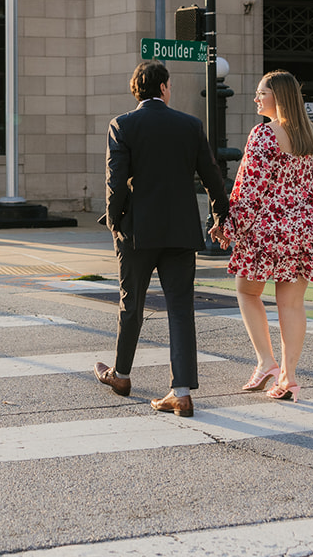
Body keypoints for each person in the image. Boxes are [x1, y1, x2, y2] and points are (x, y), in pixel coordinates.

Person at [95, 61, 230, 418]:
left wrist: (115, 222)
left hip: (137, 231)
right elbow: (213, 177)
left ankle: (121, 375)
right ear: (165, 88)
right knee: (181, 310)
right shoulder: (190, 125)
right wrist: (220, 217)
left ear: (135, 90)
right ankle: (181, 392)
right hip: (181, 231)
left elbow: (115, 181)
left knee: (132, 304)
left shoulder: (122, 125)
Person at [214, 70, 313, 403]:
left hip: (268, 229)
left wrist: (230, 227)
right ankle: (289, 378)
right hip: (306, 227)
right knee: (292, 304)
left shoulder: (264, 135)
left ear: (278, 96)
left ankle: (267, 362)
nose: (256, 98)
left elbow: (250, 189)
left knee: (246, 291)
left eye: (261, 92)